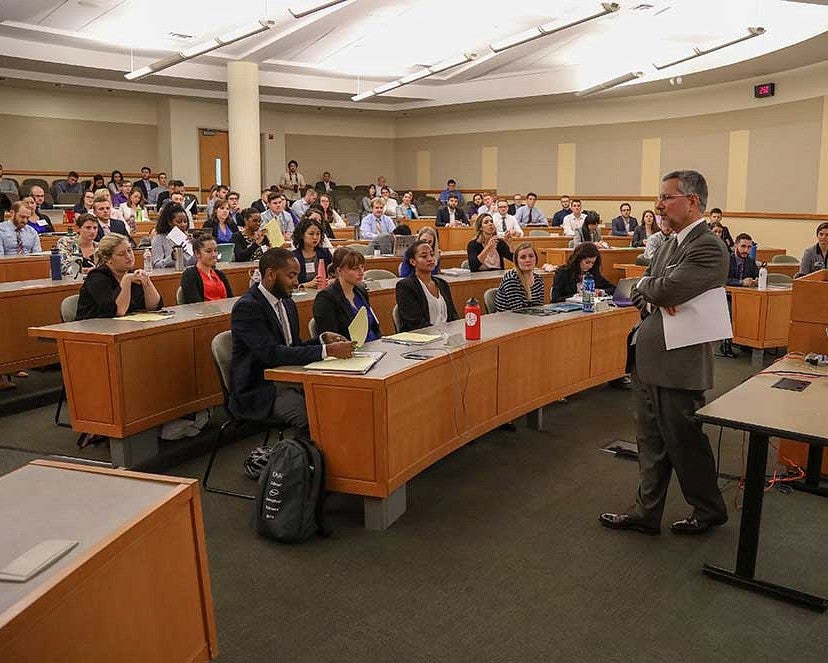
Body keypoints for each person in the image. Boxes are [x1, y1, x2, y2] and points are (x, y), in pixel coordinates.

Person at [600, 169, 729, 536]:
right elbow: (641, 293)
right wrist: (651, 287)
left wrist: (651, 286)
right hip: (648, 354)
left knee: (684, 441)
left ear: (692, 201)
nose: (658, 204)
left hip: (679, 361)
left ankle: (709, 508)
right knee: (651, 441)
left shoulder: (708, 245)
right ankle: (646, 512)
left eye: (667, 196)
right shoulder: (669, 242)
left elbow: (666, 289)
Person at [229, 248, 354, 433]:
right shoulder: (248, 308)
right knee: (315, 419)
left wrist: (322, 341)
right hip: (261, 389)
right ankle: (302, 459)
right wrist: (328, 351)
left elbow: (292, 347)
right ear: (271, 274)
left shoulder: (287, 303)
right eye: (291, 276)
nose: (296, 282)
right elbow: (272, 354)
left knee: (339, 403)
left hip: (290, 379)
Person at [77, 233, 162, 319]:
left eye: (129, 250)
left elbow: (154, 307)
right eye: (121, 254)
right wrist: (126, 280)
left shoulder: (132, 273)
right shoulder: (97, 278)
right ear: (108, 259)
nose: (128, 256)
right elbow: (118, 311)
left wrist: (146, 281)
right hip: (95, 328)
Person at [313, 248, 382, 342]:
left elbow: (374, 326)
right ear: (340, 271)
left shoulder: (361, 291)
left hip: (374, 344)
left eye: (362, 267)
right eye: (355, 269)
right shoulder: (326, 298)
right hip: (350, 350)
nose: (361, 272)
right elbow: (332, 339)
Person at [395, 241, 459, 332]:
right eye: (424, 256)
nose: (430, 259)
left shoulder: (442, 284)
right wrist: (439, 334)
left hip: (447, 336)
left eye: (432, 255)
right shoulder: (406, 286)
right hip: (423, 338)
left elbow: (453, 316)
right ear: (413, 262)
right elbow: (415, 323)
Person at [550, 242, 615, 302]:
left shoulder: (593, 273)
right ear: (578, 259)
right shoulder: (563, 272)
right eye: (587, 262)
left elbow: (613, 288)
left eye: (593, 263)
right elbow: (555, 298)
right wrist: (575, 296)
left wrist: (601, 291)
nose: (590, 266)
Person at [179, 235, 234, 303]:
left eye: (215, 250)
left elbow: (230, 299)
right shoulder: (190, 275)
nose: (214, 255)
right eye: (209, 251)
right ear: (197, 253)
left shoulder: (220, 274)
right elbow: (195, 304)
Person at [494, 243, 544, 311]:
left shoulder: (538, 279)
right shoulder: (511, 279)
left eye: (531, 256)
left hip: (530, 317)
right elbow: (518, 310)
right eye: (523, 257)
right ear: (516, 261)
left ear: (536, 258)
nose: (528, 260)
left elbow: (539, 307)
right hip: (509, 319)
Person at [151, 203, 196, 269]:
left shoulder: (187, 237)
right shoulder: (158, 239)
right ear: (170, 222)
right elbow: (156, 265)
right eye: (179, 222)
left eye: (185, 221)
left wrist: (196, 246)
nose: (183, 224)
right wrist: (171, 258)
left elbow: (191, 262)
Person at [292, 218, 332, 287]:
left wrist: (328, 281)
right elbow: (290, 284)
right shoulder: (293, 256)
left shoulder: (325, 253)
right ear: (302, 235)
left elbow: (336, 276)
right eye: (311, 234)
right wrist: (307, 285)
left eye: (318, 234)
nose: (315, 237)